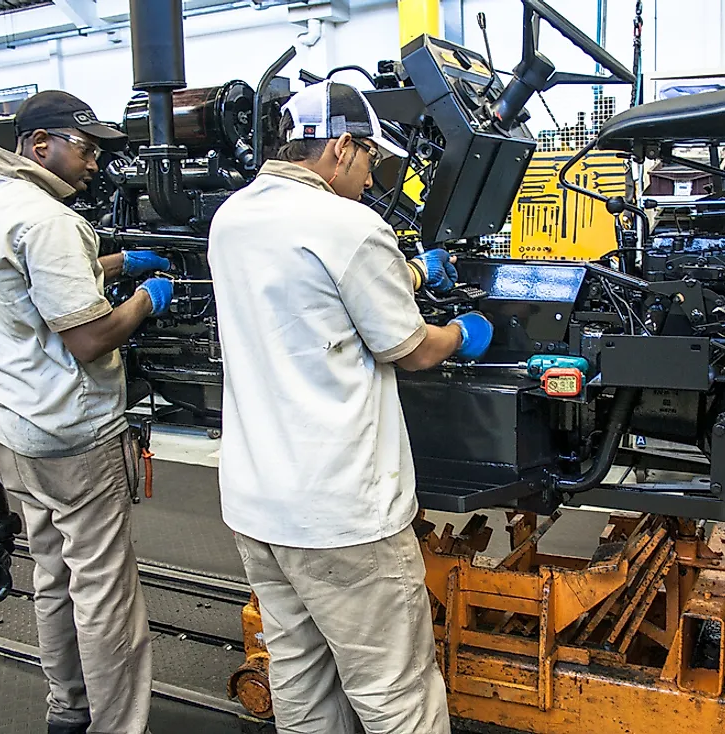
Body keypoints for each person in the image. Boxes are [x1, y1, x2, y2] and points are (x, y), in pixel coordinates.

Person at [208, 80, 493, 734]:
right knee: (397, 696)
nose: (370, 177)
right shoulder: (349, 225)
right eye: (369, 158)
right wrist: (463, 335)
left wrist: (412, 273)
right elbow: (411, 348)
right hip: (343, 517)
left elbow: (310, 301)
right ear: (339, 146)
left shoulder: (233, 217)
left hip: (259, 508)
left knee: (302, 684)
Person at [0, 90, 174, 734]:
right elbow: (91, 337)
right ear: (40, 144)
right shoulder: (49, 220)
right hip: (73, 435)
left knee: (53, 574)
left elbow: (19, 283)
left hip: (13, 428)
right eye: (86, 146)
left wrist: (114, 262)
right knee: (104, 592)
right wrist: (145, 301)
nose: (95, 161)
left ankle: (67, 710)